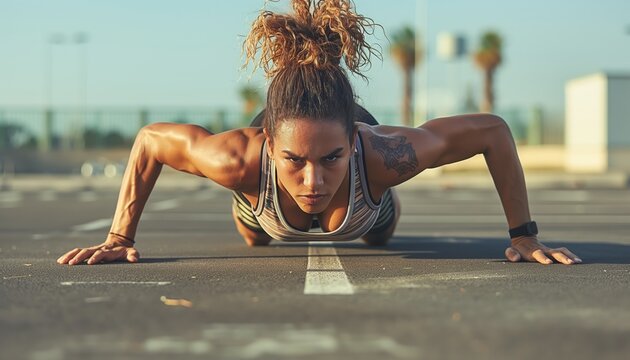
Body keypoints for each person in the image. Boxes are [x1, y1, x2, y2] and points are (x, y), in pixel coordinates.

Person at [57, 0, 581, 266]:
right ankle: (251, 209)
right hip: (259, 201)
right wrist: (119, 237)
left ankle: (380, 206)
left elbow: (493, 130)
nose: (312, 180)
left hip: (366, 204)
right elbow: (150, 140)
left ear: (354, 139)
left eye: (330, 158)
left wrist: (524, 235)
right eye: (295, 161)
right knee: (254, 233)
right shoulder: (235, 159)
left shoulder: (385, 155)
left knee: (379, 230)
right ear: (268, 145)